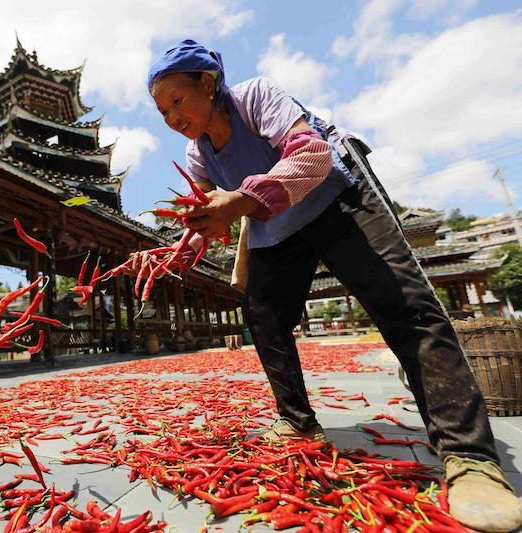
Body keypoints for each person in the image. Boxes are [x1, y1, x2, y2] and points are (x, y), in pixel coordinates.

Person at [132, 39, 522, 532]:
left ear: (208, 85)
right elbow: (205, 220)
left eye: (177, 101)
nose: (172, 118)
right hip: (276, 222)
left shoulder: (255, 96)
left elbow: (310, 154)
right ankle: (297, 420)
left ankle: (469, 458)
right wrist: (172, 252)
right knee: (265, 314)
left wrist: (241, 199)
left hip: (337, 196)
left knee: (405, 307)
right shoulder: (199, 155)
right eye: (162, 110)